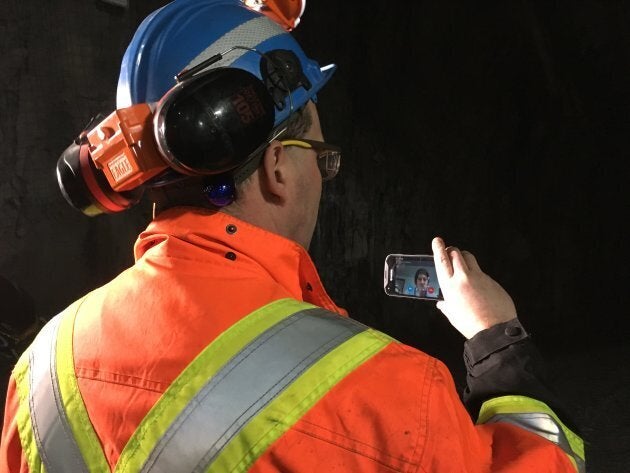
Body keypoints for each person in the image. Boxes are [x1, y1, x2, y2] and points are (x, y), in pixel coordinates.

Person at [0, 1, 585, 472]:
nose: (322, 178)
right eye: (321, 157)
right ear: (279, 167)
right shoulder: (393, 391)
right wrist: (496, 344)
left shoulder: (43, 367)